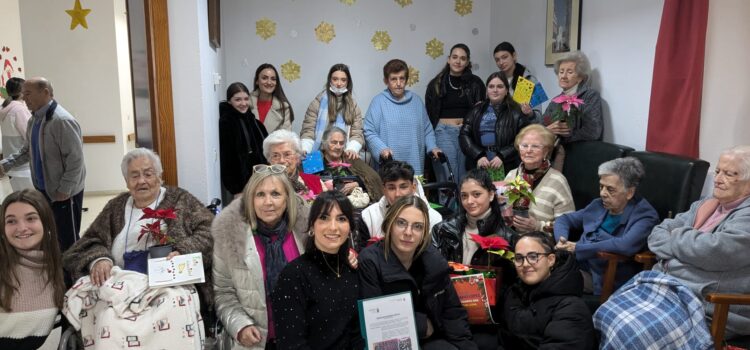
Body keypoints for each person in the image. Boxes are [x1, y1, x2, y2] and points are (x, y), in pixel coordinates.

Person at [62, 148, 214, 308]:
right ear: (127, 181)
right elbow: (88, 241)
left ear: (159, 177)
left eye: (148, 174)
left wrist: (183, 250)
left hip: (169, 287)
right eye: (134, 176)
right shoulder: (116, 206)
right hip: (120, 285)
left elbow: (211, 230)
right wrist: (100, 259)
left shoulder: (181, 200)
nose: (141, 181)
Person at [645, 145, 750, 339]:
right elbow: (656, 235)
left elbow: (713, 251)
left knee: (639, 330)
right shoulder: (706, 203)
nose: (717, 180)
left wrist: (676, 237)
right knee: (606, 314)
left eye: (729, 174)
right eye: (718, 171)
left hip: (709, 307)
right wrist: (690, 250)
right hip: (667, 290)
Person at [358, 195, 477, 350]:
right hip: (389, 342)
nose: (409, 232)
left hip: (432, 337)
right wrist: (421, 325)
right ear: (389, 225)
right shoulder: (370, 261)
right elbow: (374, 318)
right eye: (401, 223)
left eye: (417, 227)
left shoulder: (434, 261)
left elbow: (452, 311)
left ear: (423, 234)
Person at [212, 166, 309, 349]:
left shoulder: (306, 232)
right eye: (260, 195)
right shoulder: (230, 236)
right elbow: (223, 293)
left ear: (288, 199)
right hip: (256, 343)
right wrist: (240, 326)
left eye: (275, 194)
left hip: (302, 338)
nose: (268, 202)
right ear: (250, 199)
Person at [431, 168, 517, 350]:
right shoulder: (443, 230)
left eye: (476, 194)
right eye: (464, 196)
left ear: (492, 195)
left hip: (488, 319)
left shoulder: (508, 237)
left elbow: (511, 287)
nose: (469, 201)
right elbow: (433, 273)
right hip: (449, 311)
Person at [0, 77, 85, 254]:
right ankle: (58, 273)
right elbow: (26, 152)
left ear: (45, 93)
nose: (25, 98)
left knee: (69, 239)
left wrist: (65, 189)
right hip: (44, 190)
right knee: (52, 235)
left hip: (64, 194)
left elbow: (76, 160)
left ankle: (73, 276)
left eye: (29, 94)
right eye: (23, 94)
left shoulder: (62, 121)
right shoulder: (35, 120)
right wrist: (5, 165)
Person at [271, 191, 363, 349]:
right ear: (312, 226)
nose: (333, 227)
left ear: (350, 227)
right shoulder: (294, 275)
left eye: (341, 219)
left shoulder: (353, 270)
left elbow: (357, 334)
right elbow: (291, 344)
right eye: (324, 218)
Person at [554, 157, 659, 295]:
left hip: (603, 277)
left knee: (548, 278)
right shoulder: (598, 205)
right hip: (576, 263)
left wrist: (577, 248)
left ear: (629, 192)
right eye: (601, 186)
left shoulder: (645, 216)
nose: (603, 193)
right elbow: (564, 219)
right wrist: (562, 241)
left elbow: (625, 245)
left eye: (610, 189)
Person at [499, 231, 595, 349]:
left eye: (533, 257)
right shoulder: (514, 292)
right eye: (519, 258)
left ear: (550, 260)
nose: (525, 264)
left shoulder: (571, 307)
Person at [0, 189, 66, 350]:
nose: (21, 228)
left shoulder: (61, 269)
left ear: (45, 222)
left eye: (30, 218)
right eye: (11, 221)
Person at [364, 58, 441, 175]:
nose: (398, 83)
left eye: (402, 78)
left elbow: (427, 130)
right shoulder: (378, 102)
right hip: (389, 164)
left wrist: (433, 147)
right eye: (394, 79)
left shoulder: (416, 101)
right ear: (386, 81)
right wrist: (381, 149)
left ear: (406, 80)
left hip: (415, 162)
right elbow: (369, 131)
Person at [425, 43, 485, 184]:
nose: (458, 61)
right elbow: (429, 114)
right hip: (444, 132)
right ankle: (448, 207)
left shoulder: (476, 83)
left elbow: (483, 112)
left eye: (463, 58)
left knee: (466, 177)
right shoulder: (436, 83)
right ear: (449, 59)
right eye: (455, 57)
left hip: (466, 133)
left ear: (468, 62)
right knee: (448, 177)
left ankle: (464, 207)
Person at [505, 124, 574, 233]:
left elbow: (569, 224)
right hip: (511, 238)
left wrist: (538, 226)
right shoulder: (511, 175)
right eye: (524, 145)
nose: (528, 150)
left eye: (535, 146)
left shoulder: (557, 181)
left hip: (541, 243)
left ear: (546, 151)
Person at [541, 51, 603, 168]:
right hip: (553, 156)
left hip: (578, 158)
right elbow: (542, 123)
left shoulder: (590, 96)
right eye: (561, 72)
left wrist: (565, 134)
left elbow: (594, 132)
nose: (563, 76)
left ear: (580, 77)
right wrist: (547, 129)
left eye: (569, 72)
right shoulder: (556, 100)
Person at [460, 72, 529, 173]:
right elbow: (464, 135)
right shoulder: (476, 110)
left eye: (500, 86)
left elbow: (523, 139)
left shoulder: (516, 112)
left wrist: (502, 155)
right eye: (491, 86)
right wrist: (478, 155)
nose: (495, 90)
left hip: (507, 165)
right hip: (479, 163)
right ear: (487, 91)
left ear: (506, 91)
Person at [361, 160, 442, 238]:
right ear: (384, 190)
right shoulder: (368, 216)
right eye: (391, 188)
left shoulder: (433, 219)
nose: (398, 194)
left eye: (403, 187)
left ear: (413, 188)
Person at [300, 64, 364, 158]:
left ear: (348, 82)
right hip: (319, 154)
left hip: (344, 154)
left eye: (343, 80)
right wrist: (305, 148)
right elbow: (308, 129)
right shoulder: (317, 103)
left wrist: (352, 149)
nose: (339, 83)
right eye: (335, 79)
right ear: (330, 80)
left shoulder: (353, 106)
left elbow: (357, 133)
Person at [219, 82, 269, 200]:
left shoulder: (253, 121)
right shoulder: (227, 123)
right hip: (242, 188)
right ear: (229, 101)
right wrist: (237, 189)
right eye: (238, 100)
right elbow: (228, 159)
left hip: (260, 182)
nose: (243, 103)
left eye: (246, 99)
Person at [318, 126, 382, 202]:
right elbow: (308, 185)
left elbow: (374, 178)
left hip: (354, 204)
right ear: (325, 143)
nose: (338, 147)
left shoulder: (351, 158)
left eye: (341, 143)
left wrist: (357, 184)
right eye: (334, 142)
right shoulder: (316, 160)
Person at [264, 129, 325, 198]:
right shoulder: (262, 185)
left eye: (287, 154)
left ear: (297, 156)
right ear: (269, 160)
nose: (281, 160)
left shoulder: (315, 182)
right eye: (275, 156)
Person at [0, 77, 33, 191]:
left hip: (11, 165)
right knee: (32, 201)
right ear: (22, 92)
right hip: (23, 166)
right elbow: (30, 137)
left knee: (21, 199)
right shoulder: (19, 110)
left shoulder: (5, 109)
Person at [493, 41, 540, 120]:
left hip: (521, 128)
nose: (501, 62)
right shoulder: (495, 80)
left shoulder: (528, 79)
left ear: (514, 56)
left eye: (504, 57)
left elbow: (539, 116)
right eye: (497, 60)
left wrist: (530, 113)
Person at [249, 63, 294, 133]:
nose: (269, 82)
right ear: (257, 81)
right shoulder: (245, 103)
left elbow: (286, 138)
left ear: (276, 83)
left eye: (273, 79)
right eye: (264, 78)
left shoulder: (284, 108)